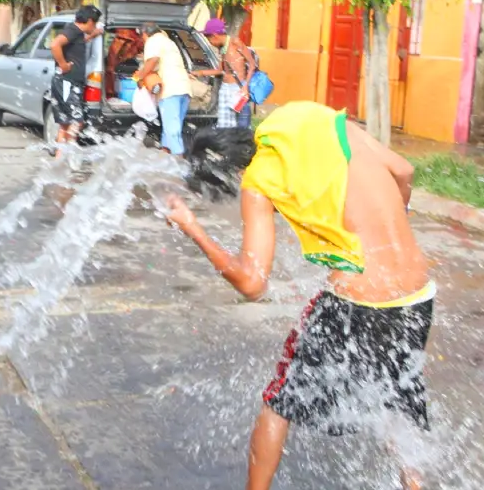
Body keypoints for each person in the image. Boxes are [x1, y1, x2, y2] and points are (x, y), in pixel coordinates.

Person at [164, 102, 432, 490]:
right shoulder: (329, 124)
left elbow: (253, 284)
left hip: (359, 298)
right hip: (419, 294)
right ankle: (414, 484)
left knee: (279, 402)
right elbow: (404, 170)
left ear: (232, 174)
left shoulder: (259, 177)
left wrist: (193, 227)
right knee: (394, 393)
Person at [48, 5, 103, 158]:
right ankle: (69, 154)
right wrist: (63, 64)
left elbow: (77, 43)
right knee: (77, 121)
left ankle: (60, 159)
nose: (95, 26)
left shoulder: (76, 32)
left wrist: (92, 36)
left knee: (64, 124)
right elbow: (55, 44)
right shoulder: (72, 30)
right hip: (66, 83)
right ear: (90, 21)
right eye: (95, 23)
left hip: (65, 83)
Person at [135, 23, 191, 155]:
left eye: (142, 37)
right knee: (171, 129)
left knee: (172, 131)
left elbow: (152, 61)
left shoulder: (153, 41)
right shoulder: (168, 42)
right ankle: (166, 159)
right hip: (184, 89)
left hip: (170, 90)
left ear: (144, 34)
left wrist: (140, 77)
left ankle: (179, 165)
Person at [191, 18, 255, 129]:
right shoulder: (223, 48)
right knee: (225, 126)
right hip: (225, 89)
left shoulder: (235, 43)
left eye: (208, 39)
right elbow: (220, 70)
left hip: (238, 89)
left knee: (242, 126)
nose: (209, 43)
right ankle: (227, 144)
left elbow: (252, 64)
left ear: (215, 35)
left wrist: (246, 87)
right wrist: (200, 73)